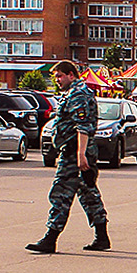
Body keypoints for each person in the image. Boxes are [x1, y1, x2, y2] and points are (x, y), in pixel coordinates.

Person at [26, 60, 110, 254]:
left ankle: (50, 237)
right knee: (88, 193)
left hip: (75, 153)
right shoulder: (75, 93)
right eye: (56, 77)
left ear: (71, 75)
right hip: (77, 151)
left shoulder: (78, 94)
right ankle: (102, 236)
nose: (57, 80)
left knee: (61, 192)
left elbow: (83, 126)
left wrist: (81, 155)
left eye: (60, 76)